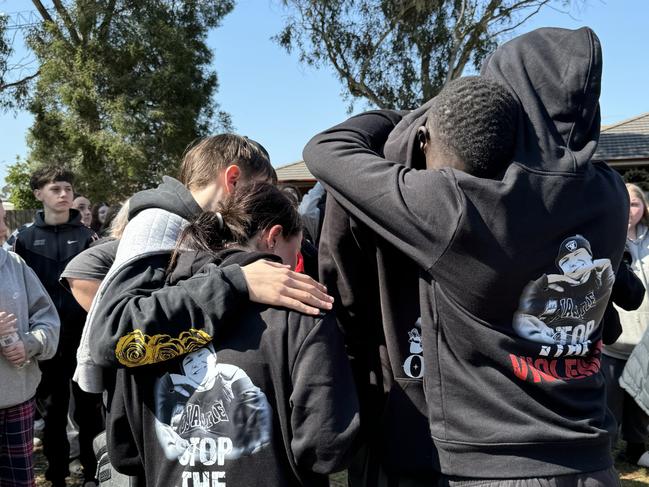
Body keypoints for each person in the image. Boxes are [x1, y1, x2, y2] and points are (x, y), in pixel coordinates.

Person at [304, 26, 627, 486]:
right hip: (592, 458)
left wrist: (416, 116)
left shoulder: (466, 206)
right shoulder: (610, 196)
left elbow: (326, 151)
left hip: (496, 463)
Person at [103, 182, 358, 486]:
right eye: (297, 246)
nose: (297, 261)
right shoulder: (304, 315)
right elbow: (325, 448)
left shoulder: (154, 313)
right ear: (273, 237)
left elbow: (125, 452)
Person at [75, 134, 333, 394]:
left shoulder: (196, 227)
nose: (264, 202)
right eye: (261, 189)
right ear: (233, 180)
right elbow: (112, 335)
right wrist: (237, 283)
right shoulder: (157, 225)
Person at [11, 166, 103, 487]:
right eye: (55, 189)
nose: (64, 195)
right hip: (46, 341)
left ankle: (93, 473)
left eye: (67, 188)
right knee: (52, 415)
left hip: (84, 339)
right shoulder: (21, 239)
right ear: (38, 194)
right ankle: (57, 475)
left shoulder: (89, 237)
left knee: (90, 411)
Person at [0, 198, 60, 487]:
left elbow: (47, 318)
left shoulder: (14, 263)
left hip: (17, 400)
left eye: (2, 218)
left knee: (20, 481)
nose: (3, 229)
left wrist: (30, 343)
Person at [603, 183, 649, 463]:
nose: (631, 210)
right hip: (615, 341)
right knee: (609, 400)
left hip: (644, 337)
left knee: (640, 394)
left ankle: (637, 447)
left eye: (636, 203)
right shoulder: (607, 236)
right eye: (627, 203)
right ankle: (605, 452)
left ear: (644, 207)